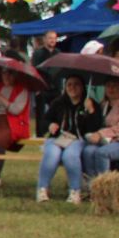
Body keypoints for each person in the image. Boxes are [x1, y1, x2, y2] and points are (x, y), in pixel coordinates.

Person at [35, 75, 99, 203]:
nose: (72, 88)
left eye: (76, 84)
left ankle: (75, 191)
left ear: (82, 87)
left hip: (78, 139)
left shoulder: (90, 103)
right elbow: (44, 120)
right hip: (58, 138)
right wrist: (50, 125)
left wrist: (91, 111)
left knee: (69, 156)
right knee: (52, 153)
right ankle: (42, 189)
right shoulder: (58, 102)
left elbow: (95, 127)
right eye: (69, 84)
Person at [80, 78, 119, 180]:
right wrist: (90, 110)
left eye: (115, 86)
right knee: (88, 151)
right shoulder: (103, 104)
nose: (111, 89)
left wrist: (100, 134)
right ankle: (92, 184)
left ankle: (104, 186)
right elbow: (97, 123)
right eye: (108, 86)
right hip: (105, 141)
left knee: (102, 153)